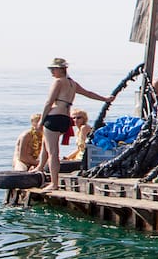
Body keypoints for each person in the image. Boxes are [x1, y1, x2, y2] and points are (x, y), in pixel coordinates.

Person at [37, 58, 112, 188]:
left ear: (61, 69)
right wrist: (105, 99)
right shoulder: (72, 84)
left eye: (53, 69)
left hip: (54, 117)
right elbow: (88, 93)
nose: (51, 72)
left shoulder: (58, 81)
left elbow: (49, 102)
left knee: (53, 152)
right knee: (46, 143)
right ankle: (39, 167)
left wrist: (41, 121)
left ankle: (54, 183)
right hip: (66, 119)